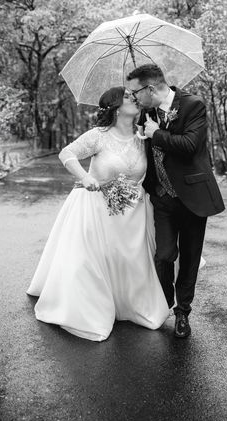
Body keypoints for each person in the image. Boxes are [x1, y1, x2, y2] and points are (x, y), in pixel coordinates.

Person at [26, 86, 169, 342]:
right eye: (127, 96)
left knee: (128, 262)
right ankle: (93, 307)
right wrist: (86, 176)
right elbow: (66, 153)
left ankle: (129, 304)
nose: (134, 99)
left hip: (133, 214)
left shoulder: (143, 137)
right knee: (92, 262)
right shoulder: (98, 136)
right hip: (94, 208)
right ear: (114, 106)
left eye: (134, 96)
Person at [127, 64, 225, 338]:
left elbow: (190, 145)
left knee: (190, 257)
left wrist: (156, 133)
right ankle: (165, 302)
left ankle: (183, 311)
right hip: (162, 197)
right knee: (164, 255)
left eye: (136, 93)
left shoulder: (193, 105)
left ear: (150, 89)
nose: (134, 99)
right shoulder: (145, 112)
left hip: (193, 197)